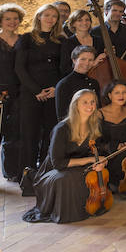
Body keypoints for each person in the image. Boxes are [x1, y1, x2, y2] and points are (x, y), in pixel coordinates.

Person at [22, 89, 106, 223]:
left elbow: (98, 152)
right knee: (67, 178)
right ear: (75, 105)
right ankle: (68, 214)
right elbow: (58, 164)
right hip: (53, 171)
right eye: (85, 102)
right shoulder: (61, 129)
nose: (90, 106)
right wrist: (90, 160)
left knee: (87, 175)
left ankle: (89, 207)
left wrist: (100, 162)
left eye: (92, 102)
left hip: (77, 167)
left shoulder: (95, 126)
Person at [15, 4, 64, 174]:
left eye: (54, 16)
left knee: (50, 133)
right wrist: (36, 91)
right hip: (31, 93)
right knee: (30, 134)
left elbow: (64, 68)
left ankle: (45, 171)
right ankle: (27, 174)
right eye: (47, 15)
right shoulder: (26, 39)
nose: (51, 19)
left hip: (52, 92)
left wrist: (55, 88)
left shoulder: (61, 40)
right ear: (39, 17)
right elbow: (20, 68)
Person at [0, 3, 26, 181]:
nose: (12, 22)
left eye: (15, 19)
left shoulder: (24, 40)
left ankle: (12, 173)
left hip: (20, 93)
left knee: (15, 135)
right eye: (8, 19)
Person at [54, 45, 101, 121]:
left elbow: (98, 110)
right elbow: (62, 117)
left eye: (90, 60)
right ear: (74, 60)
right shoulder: (64, 84)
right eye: (83, 59)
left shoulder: (94, 83)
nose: (87, 63)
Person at [92, 0, 126, 68]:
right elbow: (92, 53)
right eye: (114, 10)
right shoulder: (95, 31)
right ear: (106, 12)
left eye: (120, 11)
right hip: (103, 69)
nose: (118, 14)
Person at [60, 9, 105, 76]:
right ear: (73, 24)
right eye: (80, 20)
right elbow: (65, 69)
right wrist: (93, 64)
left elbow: (103, 64)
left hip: (97, 78)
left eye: (87, 20)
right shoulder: (67, 43)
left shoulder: (99, 41)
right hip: (76, 80)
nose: (84, 23)